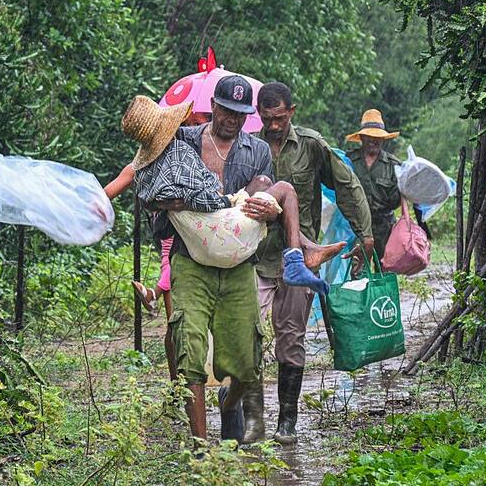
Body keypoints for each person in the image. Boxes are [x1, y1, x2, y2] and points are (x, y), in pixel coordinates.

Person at [148, 74, 277, 446]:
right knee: (189, 346)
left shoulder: (258, 152)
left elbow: (266, 197)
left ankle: (229, 403)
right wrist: (170, 202)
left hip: (238, 265)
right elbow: (150, 186)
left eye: (240, 113)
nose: (233, 120)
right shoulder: (183, 142)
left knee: (247, 361)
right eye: (227, 111)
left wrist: (266, 209)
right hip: (192, 262)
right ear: (213, 108)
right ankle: (201, 447)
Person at [250, 82, 374, 445]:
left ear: (292, 111)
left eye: (279, 118)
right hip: (254, 258)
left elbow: (347, 185)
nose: (273, 125)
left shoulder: (311, 145)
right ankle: (253, 420)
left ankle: (286, 421)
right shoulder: (249, 148)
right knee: (246, 338)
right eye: (266, 118)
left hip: (299, 259)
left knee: (291, 338)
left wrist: (364, 235)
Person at [121, 95, 345, 289]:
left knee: (262, 182)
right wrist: (227, 200)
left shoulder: (147, 169)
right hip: (218, 229)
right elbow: (201, 197)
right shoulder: (179, 152)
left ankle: (304, 247)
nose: (233, 119)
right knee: (284, 188)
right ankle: (298, 258)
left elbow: (152, 199)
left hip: (203, 237)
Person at [104, 110, 212, 383]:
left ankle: (181, 385)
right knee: (177, 321)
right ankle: (180, 386)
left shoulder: (143, 165)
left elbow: (107, 193)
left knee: (177, 321)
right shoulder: (179, 158)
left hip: (194, 242)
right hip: (186, 243)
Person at [345, 109, 402, 260]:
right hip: (356, 228)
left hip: (385, 227)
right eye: (369, 136)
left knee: (385, 270)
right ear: (362, 137)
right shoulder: (348, 161)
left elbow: (402, 197)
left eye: (377, 137)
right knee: (357, 270)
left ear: (383, 139)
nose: (373, 140)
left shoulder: (393, 165)